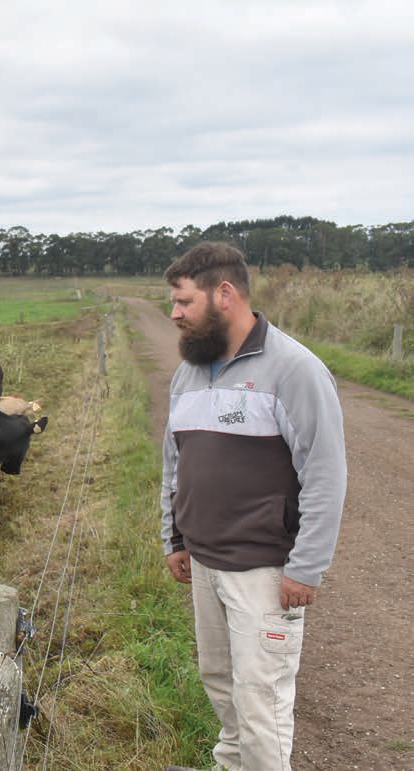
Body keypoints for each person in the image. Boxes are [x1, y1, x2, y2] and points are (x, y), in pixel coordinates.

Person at [159, 242, 347, 771]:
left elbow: (326, 476)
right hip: (204, 565)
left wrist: (306, 568)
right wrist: (174, 539)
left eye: (183, 302)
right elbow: (174, 466)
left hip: (264, 571)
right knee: (221, 685)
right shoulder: (189, 374)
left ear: (224, 295)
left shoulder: (295, 371)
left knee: (261, 703)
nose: (173, 314)